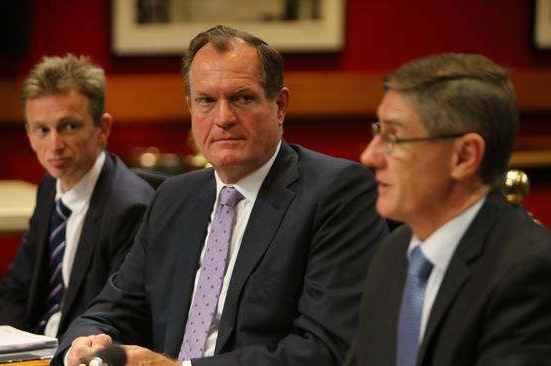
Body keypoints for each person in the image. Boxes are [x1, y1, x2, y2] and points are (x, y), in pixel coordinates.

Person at [53, 25, 388, 366]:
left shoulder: (336, 192)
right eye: (207, 101)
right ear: (190, 108)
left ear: (280, 105)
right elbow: (112, 309)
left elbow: (326, 351)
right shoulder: (174, 197)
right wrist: (83, 346)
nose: (223, 118)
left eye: (242, 98)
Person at [346, 53, 551, 366]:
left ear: (464, 156)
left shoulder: (529, 270)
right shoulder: (393, 251)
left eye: (394, 137)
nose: (369, 156)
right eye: (378, 132)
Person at [0, 54, 154, 338]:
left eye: (69, 127)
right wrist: (10, 349)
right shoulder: (49, 187)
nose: (54, 145)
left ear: (102, 129)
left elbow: (116, 316)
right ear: (29, 135)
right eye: (42, 130)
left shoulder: (129, 208)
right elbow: (16, 289)